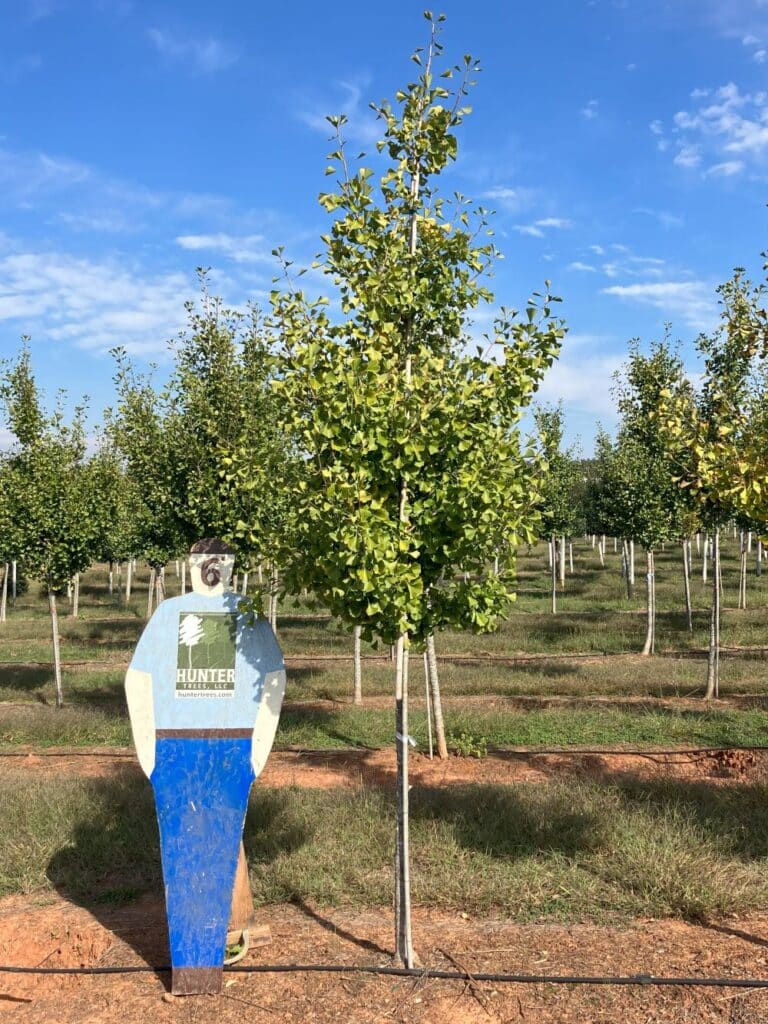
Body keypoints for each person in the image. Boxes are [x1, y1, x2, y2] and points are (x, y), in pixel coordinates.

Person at [125, 539, 285, 995]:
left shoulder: (248, 614)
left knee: (214, 853)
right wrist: (149, 753)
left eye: (219, 563)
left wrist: (257, 750)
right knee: (182, 857)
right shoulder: (169, 614)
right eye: (204, 563)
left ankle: (203, 971)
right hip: (176, 751)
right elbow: (138, 680)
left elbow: (274, 676)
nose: (211, 569)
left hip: (231, 749)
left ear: (229, 568)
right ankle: (192, 972)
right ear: (192, 567)